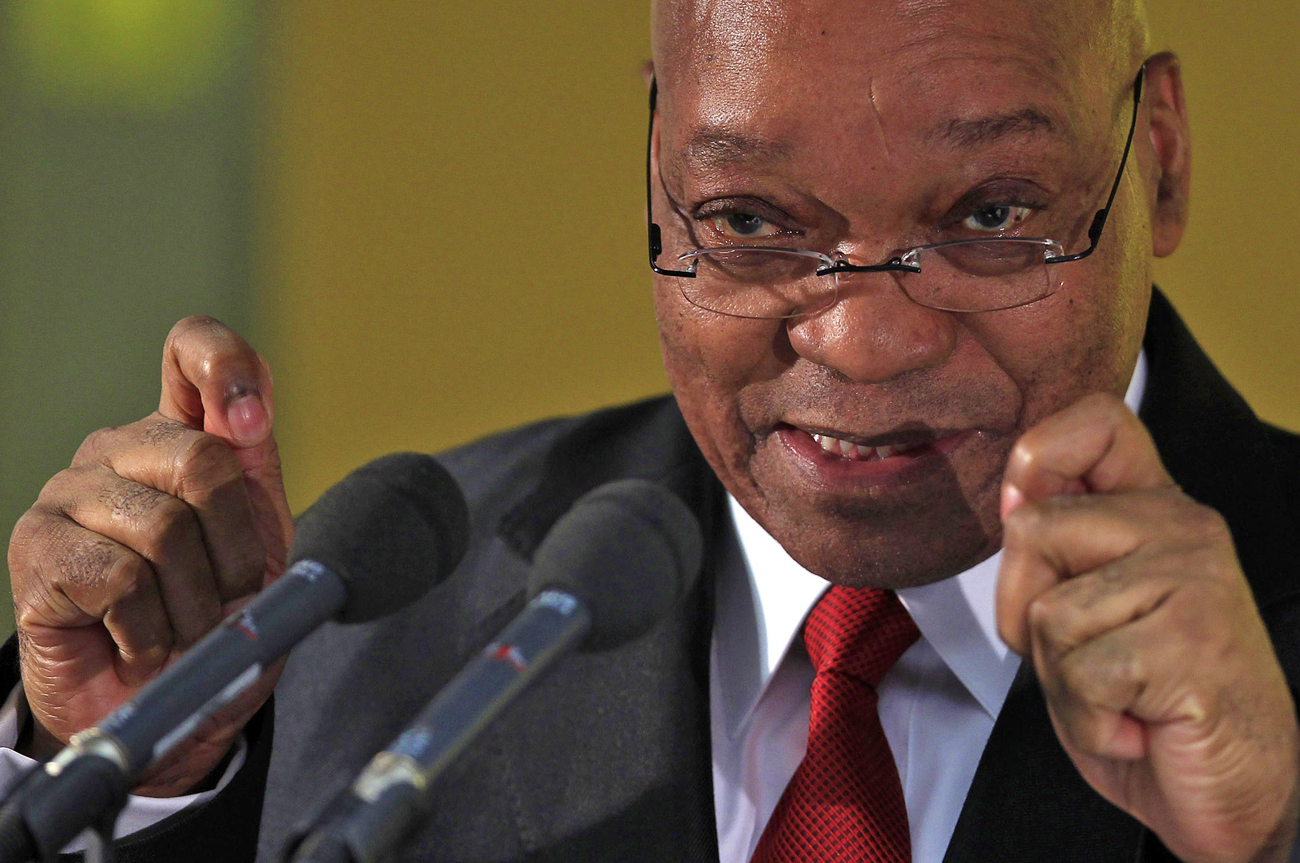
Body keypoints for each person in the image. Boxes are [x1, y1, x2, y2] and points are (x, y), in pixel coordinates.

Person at [4, 0, 1299, 860]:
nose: (861, 337)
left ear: (1164, 161)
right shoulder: (382, 631)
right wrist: (137, 769)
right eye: (747, 221)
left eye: (997, 213)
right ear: (657, 167)